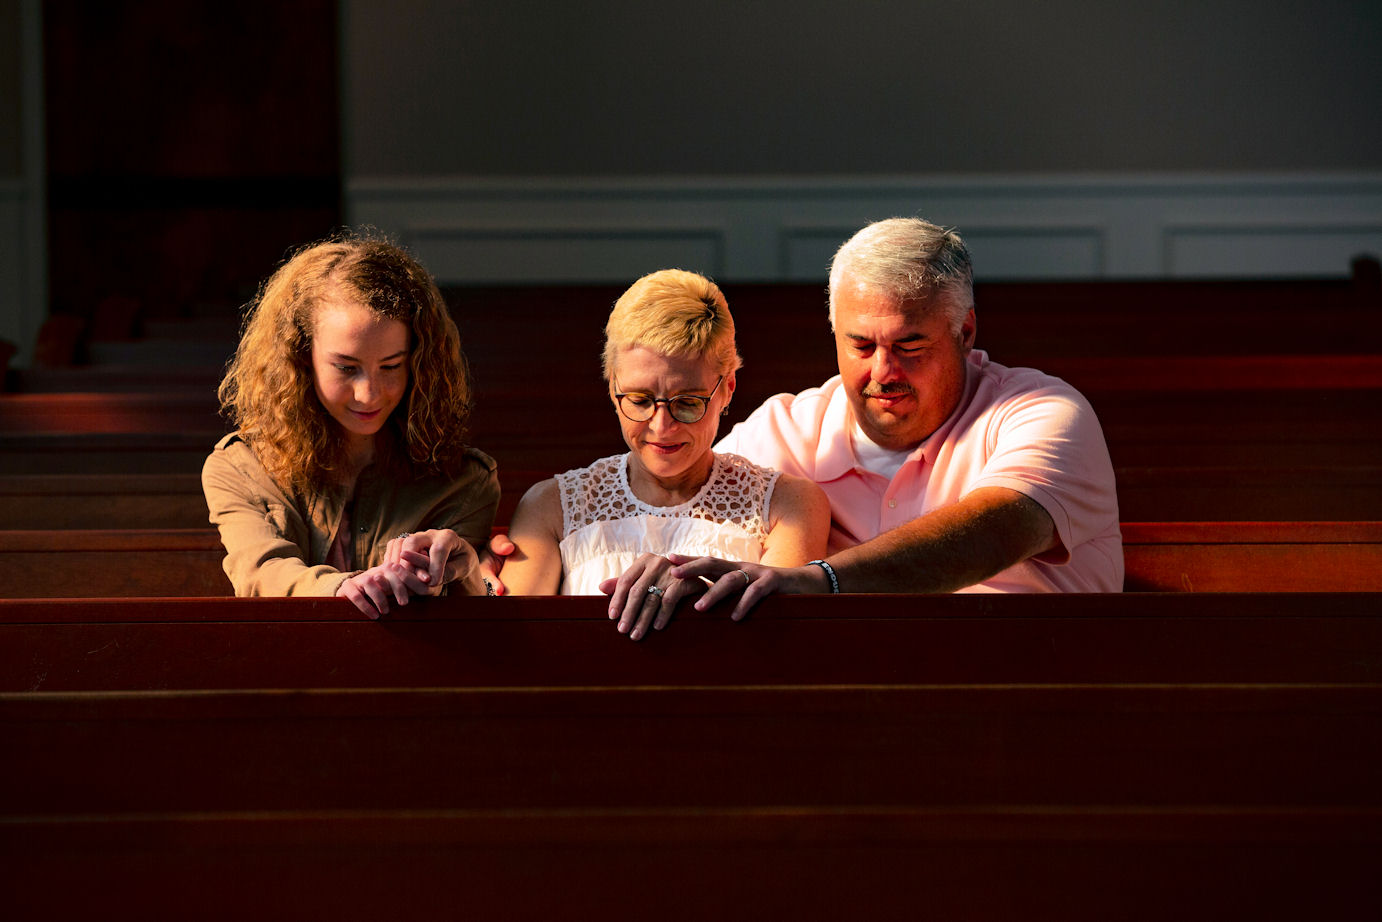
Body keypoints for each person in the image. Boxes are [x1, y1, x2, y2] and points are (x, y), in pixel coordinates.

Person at [663, 217, 1123, 617]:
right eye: (861, 346)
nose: (883, 371)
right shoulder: (783, 432)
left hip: (1034, 697)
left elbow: (994, 531)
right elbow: (682, 528)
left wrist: (820, 581)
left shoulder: (1044, 413)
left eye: (909, 346)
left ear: (964, 332)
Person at [499, 269, 830, 640]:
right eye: (640, 401)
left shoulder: (789, 505)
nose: (662, 426)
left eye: (688, 403)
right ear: (613, 388)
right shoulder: (551, 506)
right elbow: (512, 645)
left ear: (728, 389)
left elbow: (778, 645)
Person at [203, 233, 499, 617]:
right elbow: (260, 571)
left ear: (419, 362)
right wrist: (342, 586)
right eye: (346, 368)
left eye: (391, 366)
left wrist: (463, 570)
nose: (369, 394)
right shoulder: (241, 466)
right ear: (301, 356)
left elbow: (479, 609)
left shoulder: (465, 480)